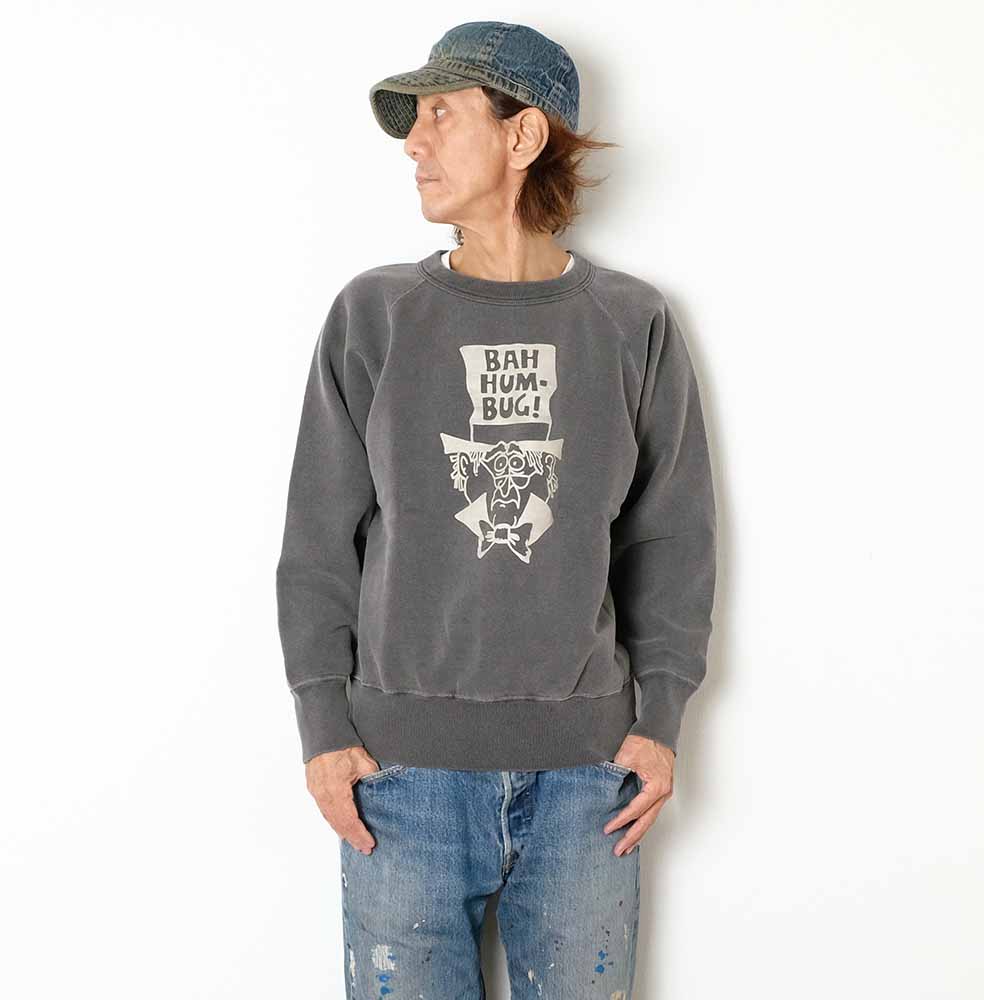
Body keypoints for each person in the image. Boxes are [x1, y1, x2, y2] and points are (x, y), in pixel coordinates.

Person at [276, 20, 717, 999]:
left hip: (587, 785)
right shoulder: (374, 315)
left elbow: (671, 538)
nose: (414, 142)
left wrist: (659, 719)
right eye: (415, 120)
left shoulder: (631, 323)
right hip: (399, 779)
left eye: (442, 113)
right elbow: (316, 542)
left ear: (523, 136)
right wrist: (322, 728)